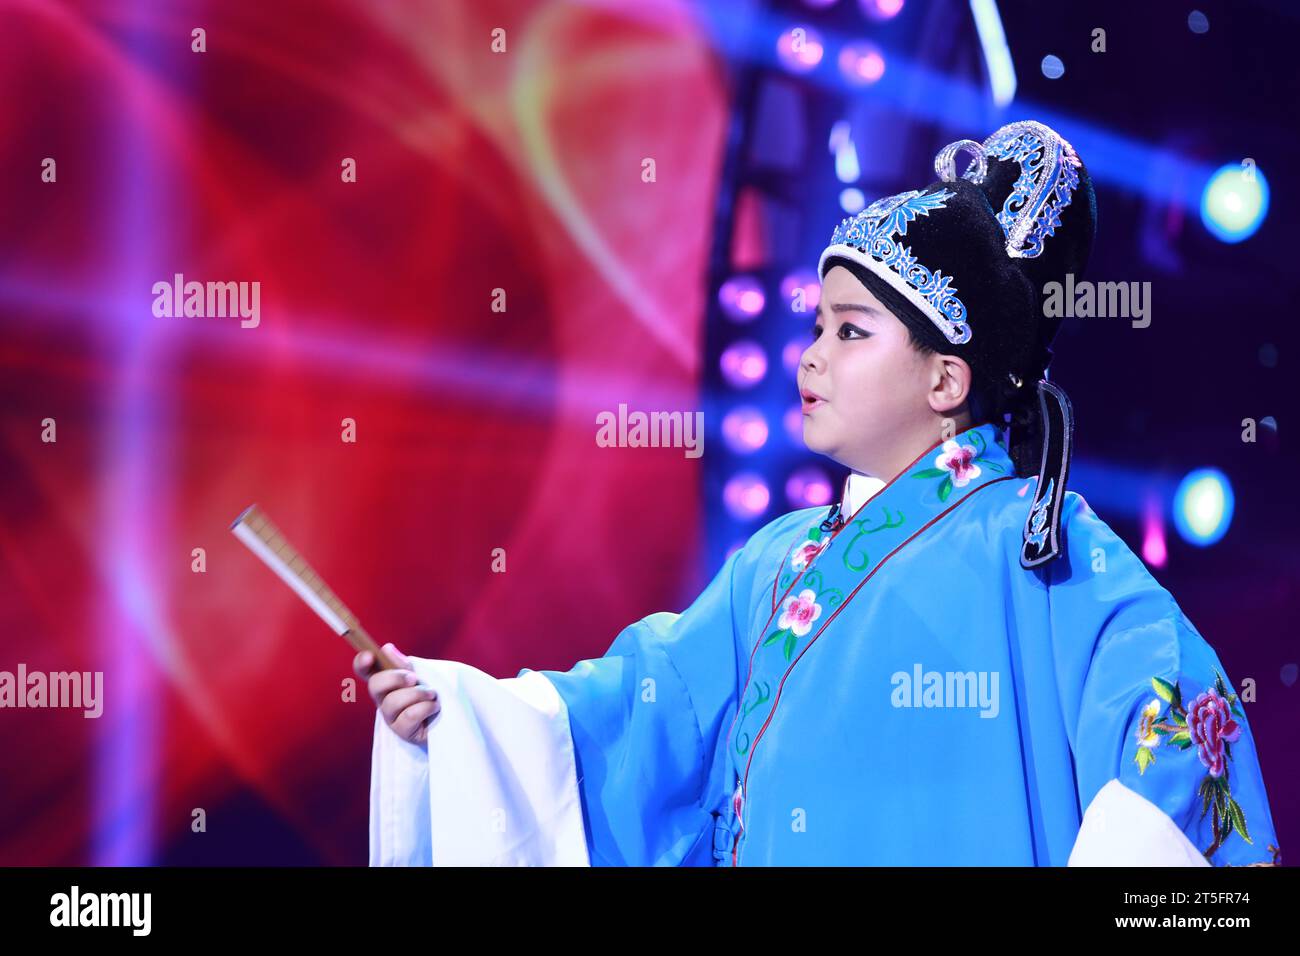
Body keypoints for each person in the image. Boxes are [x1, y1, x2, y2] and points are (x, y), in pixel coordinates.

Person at [359, 120, 1280, 867]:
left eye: (851, 331)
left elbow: (1181, 734)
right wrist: (458, 715)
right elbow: (645, 706)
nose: (810, 355)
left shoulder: (1041, 546)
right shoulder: (779, 559)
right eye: (815, 326)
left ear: (945, 380)